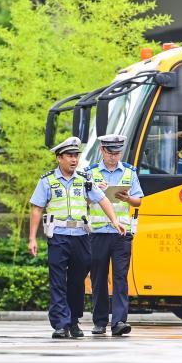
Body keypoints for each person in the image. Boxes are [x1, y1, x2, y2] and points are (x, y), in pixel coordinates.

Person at [28, 136, 126, 339]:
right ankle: (60, 324)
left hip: (81, 237)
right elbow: (37, 208)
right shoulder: (47, 181)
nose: (74, 160)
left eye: (76, 156)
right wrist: (32, 238)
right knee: (57, 281)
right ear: (59, 158)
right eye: (69, 156)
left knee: (77, 281)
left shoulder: (85, 180)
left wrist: (115, 221)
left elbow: (103, 199)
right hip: (58, 236)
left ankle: (73, 320)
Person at [86, 133, 144, 336]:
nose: (113, 157)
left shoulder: (129, 172)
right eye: (110, 153)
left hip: (122, 234)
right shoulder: (90, 173)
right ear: (102, 151)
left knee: (121, 277)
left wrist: (128, 198)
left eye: (117, 153)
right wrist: (95, 192)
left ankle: (119, 321)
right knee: (98, 278)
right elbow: (83, 201)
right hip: (98, 233)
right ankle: (99, 321)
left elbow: (139, 201)